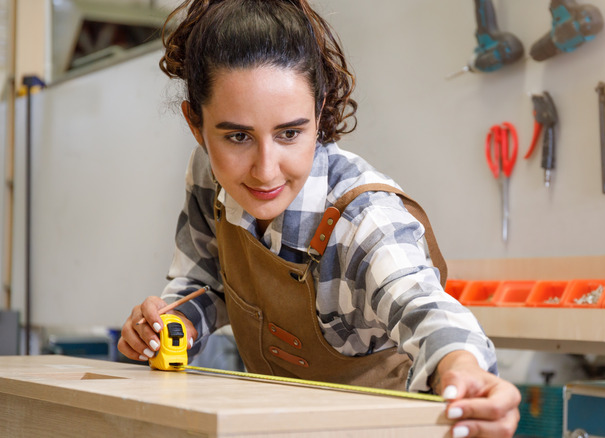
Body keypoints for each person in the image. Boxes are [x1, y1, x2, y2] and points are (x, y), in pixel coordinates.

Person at [118, 0, 520, 436]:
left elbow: (425, 309)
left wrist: (462, 370)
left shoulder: (364, 220)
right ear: (196, 125)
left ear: (319, 107)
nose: (265, 169)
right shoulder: (209, 177)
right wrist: (168, 326)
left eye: (290, 133)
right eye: (237, 136)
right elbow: (207, 282)